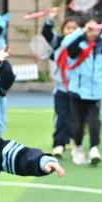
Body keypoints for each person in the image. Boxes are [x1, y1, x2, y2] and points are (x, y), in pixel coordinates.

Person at [60, 17, 102, 165]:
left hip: (95, 94)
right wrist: (81, 31)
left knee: (94, 123)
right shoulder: (78, 44)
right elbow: (66, 44)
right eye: (90, 29)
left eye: (96, 29)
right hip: (77, 92)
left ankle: (94, 148)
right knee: (77, 124)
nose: (93, 32)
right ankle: (78, 146)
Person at [41, 9, 80, 156]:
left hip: (77, 90)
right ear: (63, 30)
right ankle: (59, 144)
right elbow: (46, 32)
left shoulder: (82, 46)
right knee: (62, 117)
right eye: (68, 28)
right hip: (61, 89)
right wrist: (50, 18)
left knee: (76, 118)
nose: (71, 31)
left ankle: (75, 140)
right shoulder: (58, 43)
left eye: (74, 28)